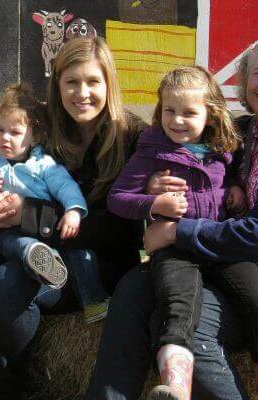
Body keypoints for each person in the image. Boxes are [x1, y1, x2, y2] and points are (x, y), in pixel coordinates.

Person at [0, 36, 145, 399]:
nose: (82, 93)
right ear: (57, 82)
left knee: (4, 284)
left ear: (109, 82)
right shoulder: (40, 122)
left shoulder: (132, 136)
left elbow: (120, 230)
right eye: (71, 81)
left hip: (88, 261)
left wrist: (28, 215)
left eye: (93, 81)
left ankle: (8, 385)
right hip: (19, 237)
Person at [86, 45, 258, 400]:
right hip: (195, 252)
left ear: (208, 114)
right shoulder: (237, 135)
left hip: (232, 253)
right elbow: (125, 195)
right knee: (135, 291)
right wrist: (152, 194)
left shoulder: (223, 141)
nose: (179, 120)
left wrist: (176, 231)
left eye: (189, 112)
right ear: (243, 83)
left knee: (187, 317)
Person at [0, 83, 109, 322]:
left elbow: (66, 187)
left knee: (81, 253)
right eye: (0, 130)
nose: (5, 138)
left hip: (47, 233)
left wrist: (73, 211)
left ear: (35, 136)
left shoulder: (43, 165)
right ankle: (38, 259)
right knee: (15, 243)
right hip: (10, 231)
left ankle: (94, 302)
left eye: (15, 132)